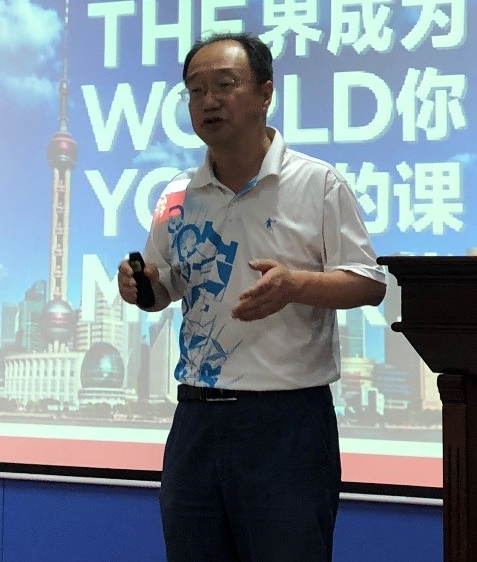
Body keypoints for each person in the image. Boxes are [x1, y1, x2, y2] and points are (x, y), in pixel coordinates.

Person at [117, 32, 386, 562]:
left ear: (265, 93)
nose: (208, 101)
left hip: (285, 422)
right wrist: (141, 287)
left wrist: (296, 285)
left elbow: (369, 282)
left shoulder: (317, 183)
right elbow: (165, 288)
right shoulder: (177, 195)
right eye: (195, 90)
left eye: (224, 85)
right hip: (196, 419)